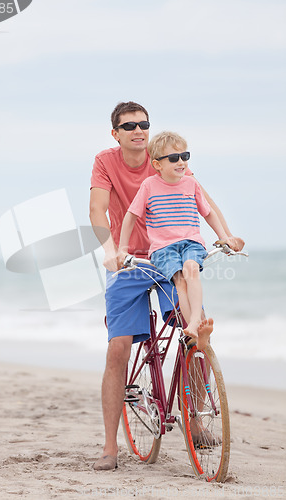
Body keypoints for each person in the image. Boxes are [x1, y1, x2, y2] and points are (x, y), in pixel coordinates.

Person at [89, 101, 244, 471]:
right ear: (116, 133)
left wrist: (225, 236)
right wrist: (112, 251)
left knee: (197, 324)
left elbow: (203, 202)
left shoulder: (166, 155)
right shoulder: (105, 161)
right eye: (129, 126)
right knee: (118, 349)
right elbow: (97, 211)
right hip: (129, 262)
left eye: (143, 124)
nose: (138, 131)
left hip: (169, 257)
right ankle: (110, 447)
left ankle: (194, 421)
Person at [119, 131, 233, 350]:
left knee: (191, 268)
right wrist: (123, 249)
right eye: (174, 158)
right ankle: (191, 328)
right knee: (180, 280)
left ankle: (194, 324)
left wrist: (224, 237)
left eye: (184, 156)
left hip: (191, 242)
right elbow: (131, 215)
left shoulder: (191, 185)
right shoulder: (149, 186)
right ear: (157, 164)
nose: (181, 162)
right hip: (163, 247)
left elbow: (208, 213)